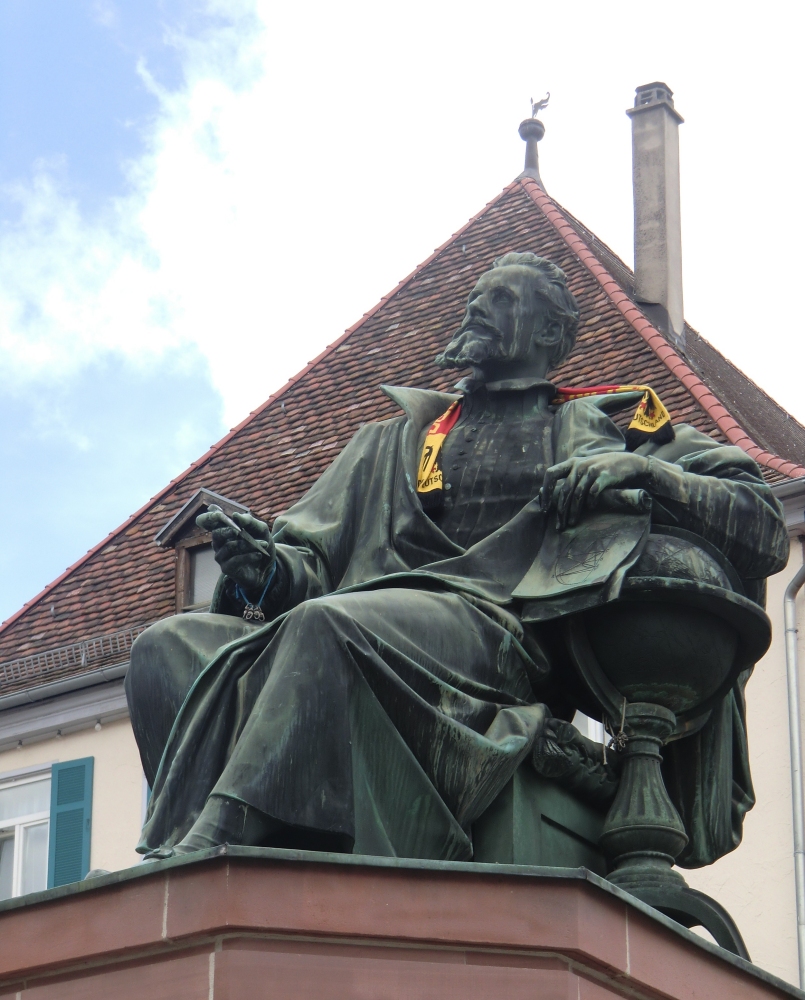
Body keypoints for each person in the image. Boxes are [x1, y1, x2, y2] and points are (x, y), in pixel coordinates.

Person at [126, 253, 788, 864]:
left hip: (499, 637)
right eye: (475, 297)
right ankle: (270, 844)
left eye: (501, 300)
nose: (476, 308)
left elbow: (759, 525)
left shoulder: (609, 427)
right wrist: (260, 566)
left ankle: (220, 842)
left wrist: (652, 478)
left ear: (550, 336)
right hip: (366, 618)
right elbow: (307, 568)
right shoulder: (390, 441)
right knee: (168, 646)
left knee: (327, 624)